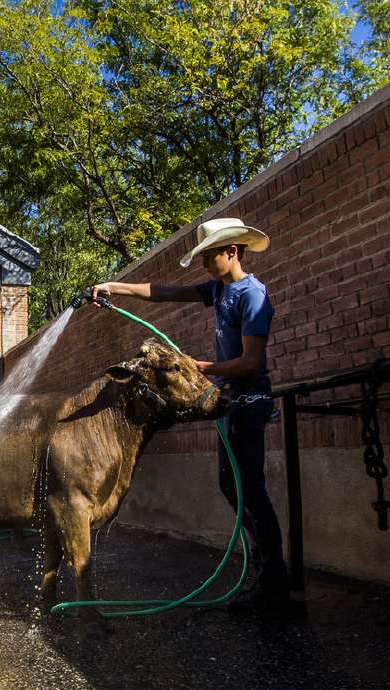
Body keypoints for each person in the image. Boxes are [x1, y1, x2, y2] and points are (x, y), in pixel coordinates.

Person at [92, 217, 290, 611]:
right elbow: (164, 292)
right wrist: (114, 287)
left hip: (249, 402)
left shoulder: (253, 296)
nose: (203, 265)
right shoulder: (219, 290)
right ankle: (267, 569)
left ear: (231, 251)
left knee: (250, 489)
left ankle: (275, 579)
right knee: (231, 487)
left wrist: (196, 367)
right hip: (230, 402)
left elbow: (250, 362)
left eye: (208, 256)